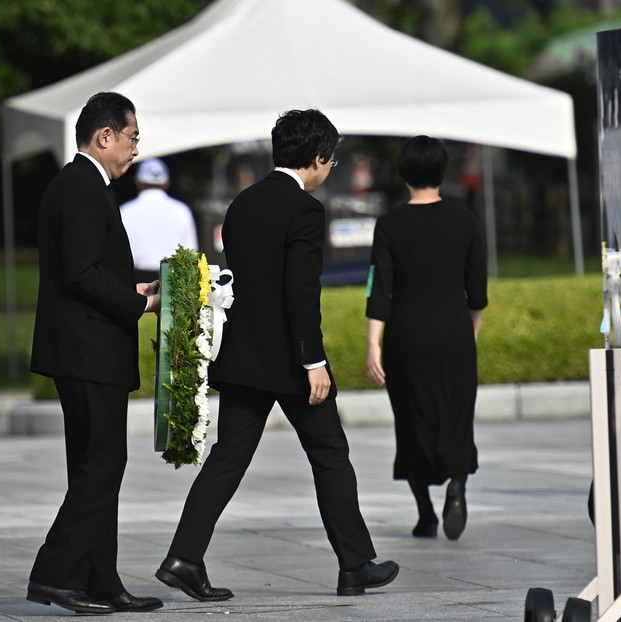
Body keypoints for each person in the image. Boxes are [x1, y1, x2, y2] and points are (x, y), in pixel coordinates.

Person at [157, 109, 399, 601]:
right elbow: (300, 291)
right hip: (291, 361)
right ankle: (355, 565)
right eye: (330, 160)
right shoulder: (306, 210)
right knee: (330, 454)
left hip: (245, 357)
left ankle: (184, 557)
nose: (330, 169)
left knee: (227, 458)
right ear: (316, 158)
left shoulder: (242, 203)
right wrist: (313, 361)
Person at [26, 91, 162, 615]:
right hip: (87, 350)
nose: (134, 149)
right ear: (104, 136)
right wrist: (138, 303)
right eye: (131, 138)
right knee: (101, 466)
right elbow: (82, 274)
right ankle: (54, 574)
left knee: (96, 464)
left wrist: (138, 286)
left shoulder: (79, 183)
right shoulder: (83, 186)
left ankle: (101, 580)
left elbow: (88, 266)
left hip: (86, 348)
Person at [364, 135, 487, 541]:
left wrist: (373, 344)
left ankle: (425, 515)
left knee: (412, 420)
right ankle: (458, 484)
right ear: (443, 171)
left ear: (403, 174)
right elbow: (478, 290)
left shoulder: (389, 224)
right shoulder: (465, 220)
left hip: (406, 335)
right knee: (456, 416)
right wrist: (471, 331)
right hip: (453, 331)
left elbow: (377, 288)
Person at [120, 158, 199, 283]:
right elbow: (191, 253)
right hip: (173, 278)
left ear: (138, 182)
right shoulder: (182, 211)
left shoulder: (125, 211)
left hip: (136, 279)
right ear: (166, 182)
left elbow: (119, 254)